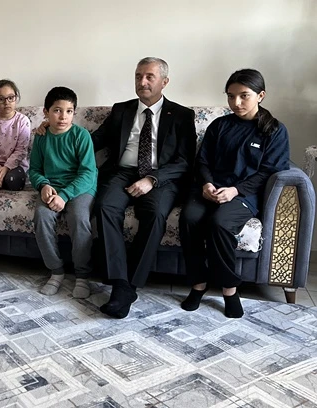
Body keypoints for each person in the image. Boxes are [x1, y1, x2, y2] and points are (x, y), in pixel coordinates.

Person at [91, 57, 196, 318]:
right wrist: (58, 132)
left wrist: (152, 180)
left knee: (156, 213)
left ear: (164, 82)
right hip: (122, 172)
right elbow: (94, 140)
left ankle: (131, 284)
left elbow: (185, 161)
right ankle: (120, 283)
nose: (142, 81)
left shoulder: (182, 115)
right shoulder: (121, 110)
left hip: (161, 177)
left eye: (149, 76)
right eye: (138, 76)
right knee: (105, 206)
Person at [179, 69, 290, 318]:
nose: (236, 102)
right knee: (189, 218)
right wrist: (207, 185)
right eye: (230, 96)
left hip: (244, 195)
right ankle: (198, 285)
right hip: (210, 190)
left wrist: (235, 190)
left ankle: (229, 290)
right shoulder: (220, 125)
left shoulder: (274, 130)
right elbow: (202, 161)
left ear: (261, 95)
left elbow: (269, 171)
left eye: (244, 95)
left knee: (219, 223)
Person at [29, 87, 97, 297]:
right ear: (46, 112)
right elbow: (35, 169)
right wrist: (43, 185)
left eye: (69, 111)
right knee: (41, 216)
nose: (63, 116)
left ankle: (82, 275)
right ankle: (56, 271)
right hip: (52, 186)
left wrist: (65, 196)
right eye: (57, 110)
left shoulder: (81, 135)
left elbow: (88, 173)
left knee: (79, 217)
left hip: (80, 187)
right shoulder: (41, 137)